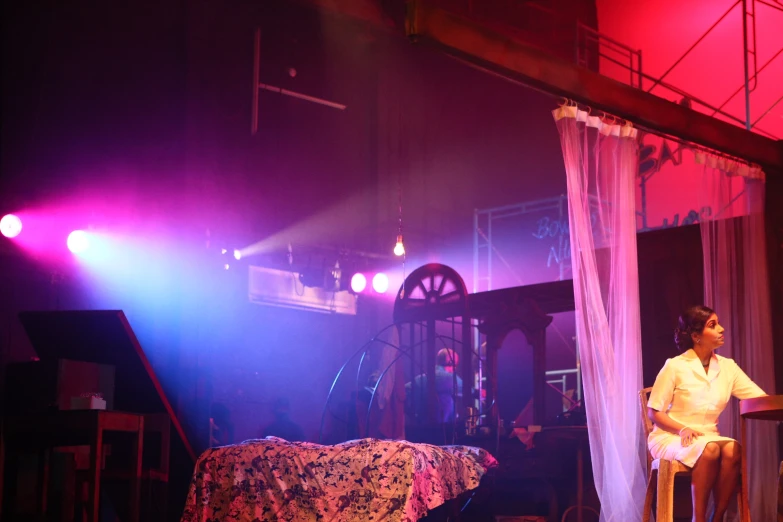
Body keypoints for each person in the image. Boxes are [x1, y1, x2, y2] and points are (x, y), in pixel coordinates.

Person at [647, 305, 767, 522]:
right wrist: (682, 428)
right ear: (696, 336)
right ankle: (698, 519)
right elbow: (654, 412)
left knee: (732, 448)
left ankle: (717, 517)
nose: (721, 329)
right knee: (710, 450)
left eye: (719, 323)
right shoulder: (675, 366)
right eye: (713, 325)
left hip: (707, 437)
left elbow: (758, 399)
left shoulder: (727, 367)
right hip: (670, 436)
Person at [406, 348, 463, 423]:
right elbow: (467, 390)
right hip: (443, 429)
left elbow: (405, 390)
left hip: (421, 427)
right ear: (450, 362)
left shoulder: (420, 378)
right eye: (455, 364)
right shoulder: (449, 378)